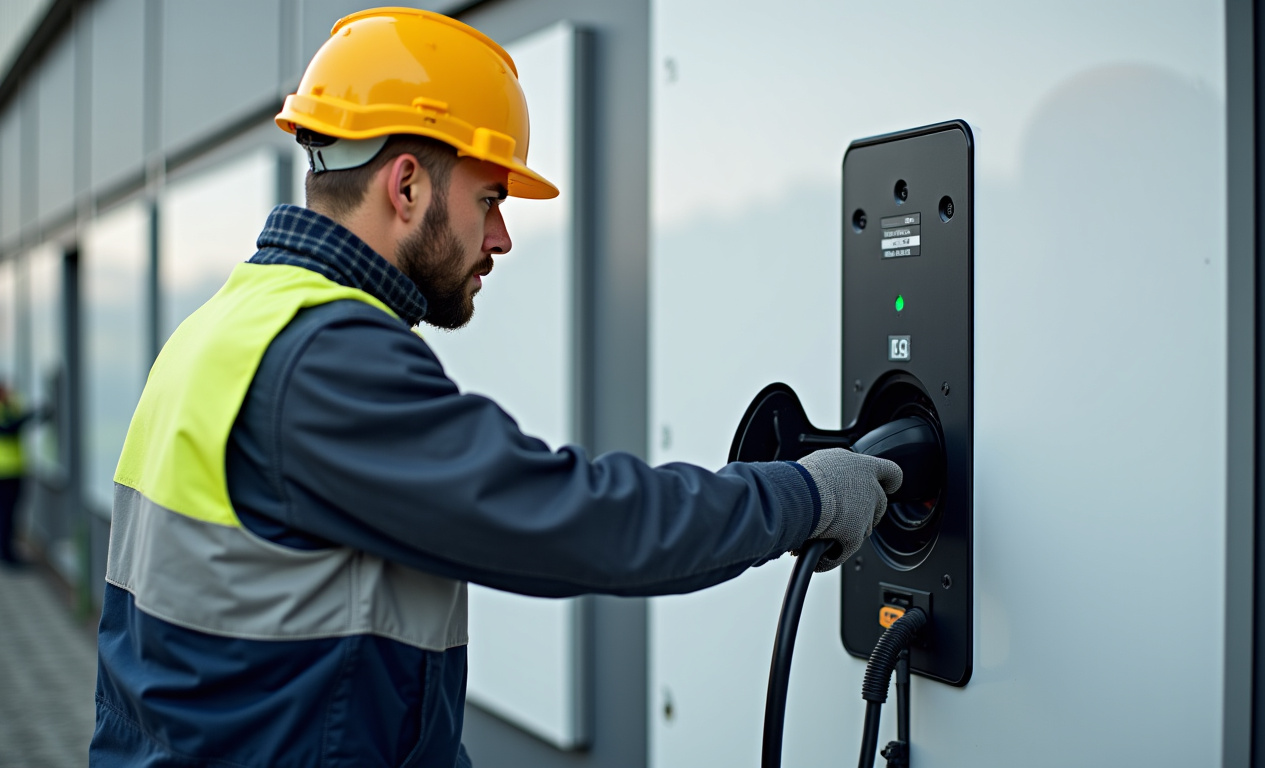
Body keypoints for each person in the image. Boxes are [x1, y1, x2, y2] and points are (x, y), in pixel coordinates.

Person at [90, 9, 902, 766]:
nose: (502, 237)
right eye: (489, 199)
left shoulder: (224, 327)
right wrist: (803, 496)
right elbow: (576, 521)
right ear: (407, 187)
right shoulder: (327, 361)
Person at [0, 382, 35, 566]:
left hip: (14, 471)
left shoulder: (11, 406)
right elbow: (9, 429)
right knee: (5, 513)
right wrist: (28, 417)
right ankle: (6, 554)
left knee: (11, 512)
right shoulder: (5, 410)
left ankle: (7, 550)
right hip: (4, 473)